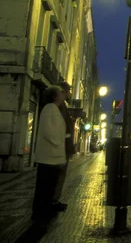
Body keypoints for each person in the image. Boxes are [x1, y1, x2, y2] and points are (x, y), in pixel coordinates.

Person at [32, 85, 67, 222]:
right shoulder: (49, 109)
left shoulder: (54, 109)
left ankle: (45, 210)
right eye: (61, 92)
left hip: (52, 156)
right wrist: (58, 143)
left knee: (49, 186)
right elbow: (48, 131)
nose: (64, 94)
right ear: (55, 96)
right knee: (44, 187)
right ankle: (40, 213)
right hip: (49, 156)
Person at [52, 82, 75, 211]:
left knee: (60, 175)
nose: (68, 94)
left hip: (63, 146)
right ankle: (53, 200)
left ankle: (55, 199)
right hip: (61, 147)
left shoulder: (62, 106)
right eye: (67, 92)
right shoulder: (58, 107)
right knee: (59, 174)